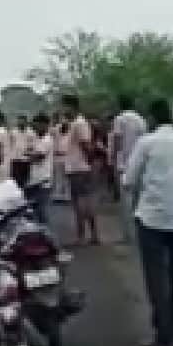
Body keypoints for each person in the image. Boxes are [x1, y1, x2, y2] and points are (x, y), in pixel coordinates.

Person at [122, 99, 173, 346]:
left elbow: (129, 180)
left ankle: (163, 331)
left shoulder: (147, 143)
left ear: (153, 118)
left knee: (156, 277)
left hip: (152, 217)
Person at [57, 95, 102, 245]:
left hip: (79, 168)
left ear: (71, 106)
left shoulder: (79, 124)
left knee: (80, 203)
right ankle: (91, 235)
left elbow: (86, 145)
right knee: (83, 202)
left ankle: (83, 235)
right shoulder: (73, 124)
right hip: (77, 167)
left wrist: (89, 163)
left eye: (64, 106)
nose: (62, 110)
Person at [109, 97, 148, 244]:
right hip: (140, 163)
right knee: (139, 200)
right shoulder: (141, 119)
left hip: (124, 164)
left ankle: (128, 235)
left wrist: (112, 157)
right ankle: (141, 232)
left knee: (126, 201)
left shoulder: (120, 119)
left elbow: (117, 140)